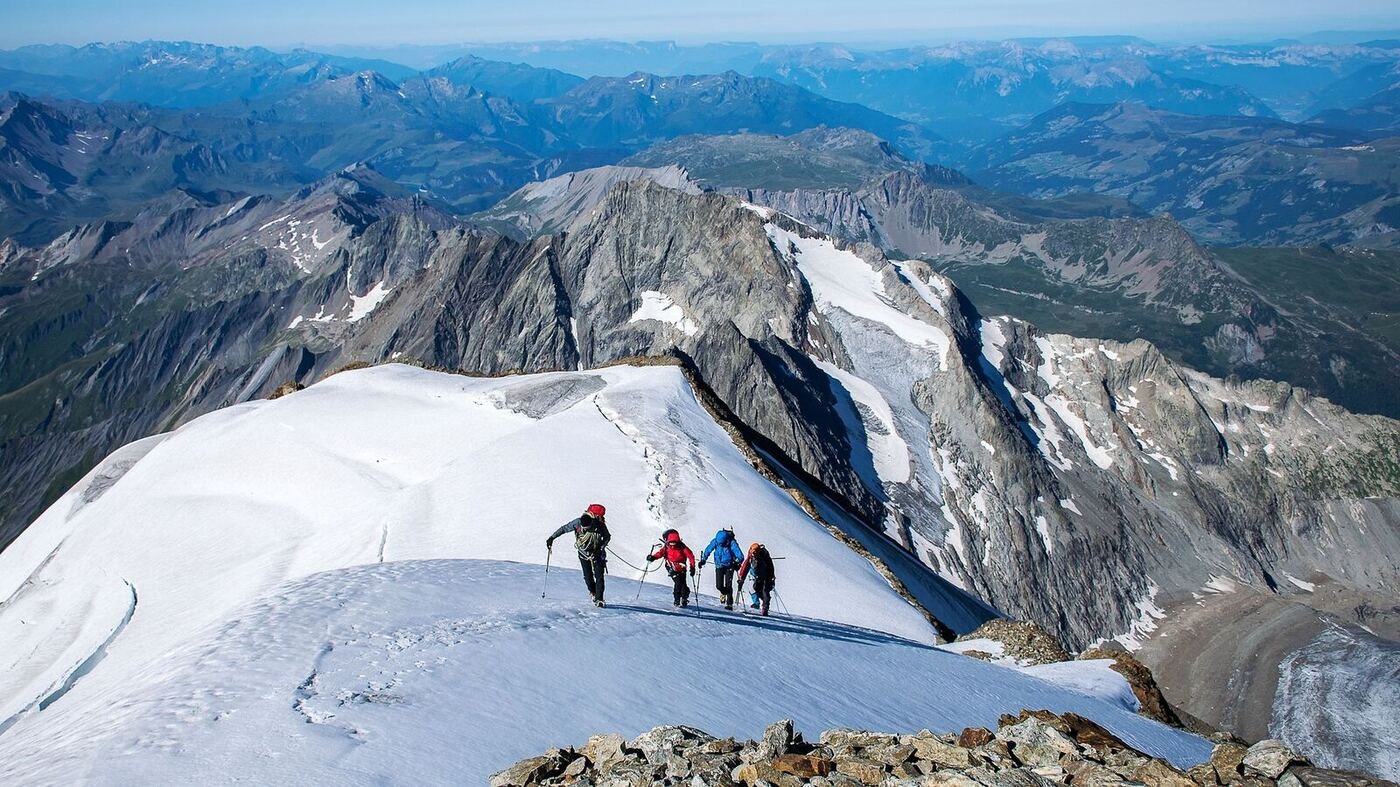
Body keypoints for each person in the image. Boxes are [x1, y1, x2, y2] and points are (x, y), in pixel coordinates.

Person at [546, 503, 611, 607]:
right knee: (588, 577)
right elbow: (564, 529)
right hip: (583, 554)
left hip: (597, 554)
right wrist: (552, 538)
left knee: (599, 576)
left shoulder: (599, 524)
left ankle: (599, 599)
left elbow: (607, 537)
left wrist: (601, 547)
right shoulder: (578, 523)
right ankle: (593, 593)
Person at [646, 529, 696, 607]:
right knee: (678, 583)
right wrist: (652, 557)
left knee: (683, 585)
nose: (672, 545)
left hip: (682, 568)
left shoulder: (682, 547)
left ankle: (684, 598)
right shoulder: (667, 547)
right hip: (671, 567)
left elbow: (691, 556)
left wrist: (692, 567)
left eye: (674, 543)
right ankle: (677, 600)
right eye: (671, 543)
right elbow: (660, 553)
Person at [698, 527, 745, 610]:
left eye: (722, 543)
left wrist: (737, 563)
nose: (721, 545)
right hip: (719, 565)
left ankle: (729, 604)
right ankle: (723, 593)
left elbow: (740, 556)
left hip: (729, 565)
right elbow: (708, 549)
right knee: (719, 585)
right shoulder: (716, 541)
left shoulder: (731, 542)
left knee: (728, 584)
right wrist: (703, 560)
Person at [737, 542, 775, 616]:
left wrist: (772, 577)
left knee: (765, 591)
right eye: (752, 553)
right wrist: (741, 578)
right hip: (758, 577)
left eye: (755, 553)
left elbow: (771, 567)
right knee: (756, 589)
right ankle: (765, 602)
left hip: (767, 577)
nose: (753, 555)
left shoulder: (764, 557)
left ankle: (765, 608)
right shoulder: (751, 556)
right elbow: (745, 567)